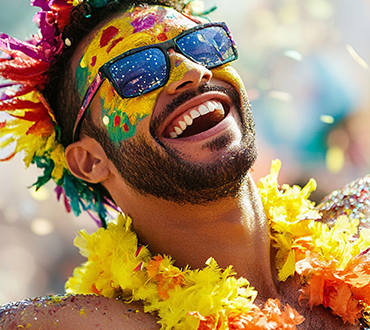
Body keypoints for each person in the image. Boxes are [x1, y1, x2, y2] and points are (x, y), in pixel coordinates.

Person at [0, 0, 370, 329]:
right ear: (90, 160)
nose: (193, 71)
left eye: (200, 45)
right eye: (137, 72)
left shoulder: (361, 227)